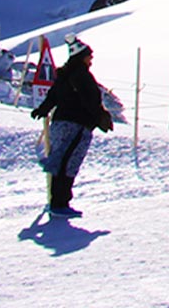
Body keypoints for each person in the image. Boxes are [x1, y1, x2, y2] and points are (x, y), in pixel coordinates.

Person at [30, 37, 113, 217]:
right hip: (77, 124)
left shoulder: (65, 75)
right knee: (69, 163)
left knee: (60, 160)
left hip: (60, 123)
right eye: (89, 56)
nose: (91, 60)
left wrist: (42, 110)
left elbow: (53, 96)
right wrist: (100, 117)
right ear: (81, 57)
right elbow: (90, 99)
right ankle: (60, 203)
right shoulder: (82, 75)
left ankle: (56, 200)